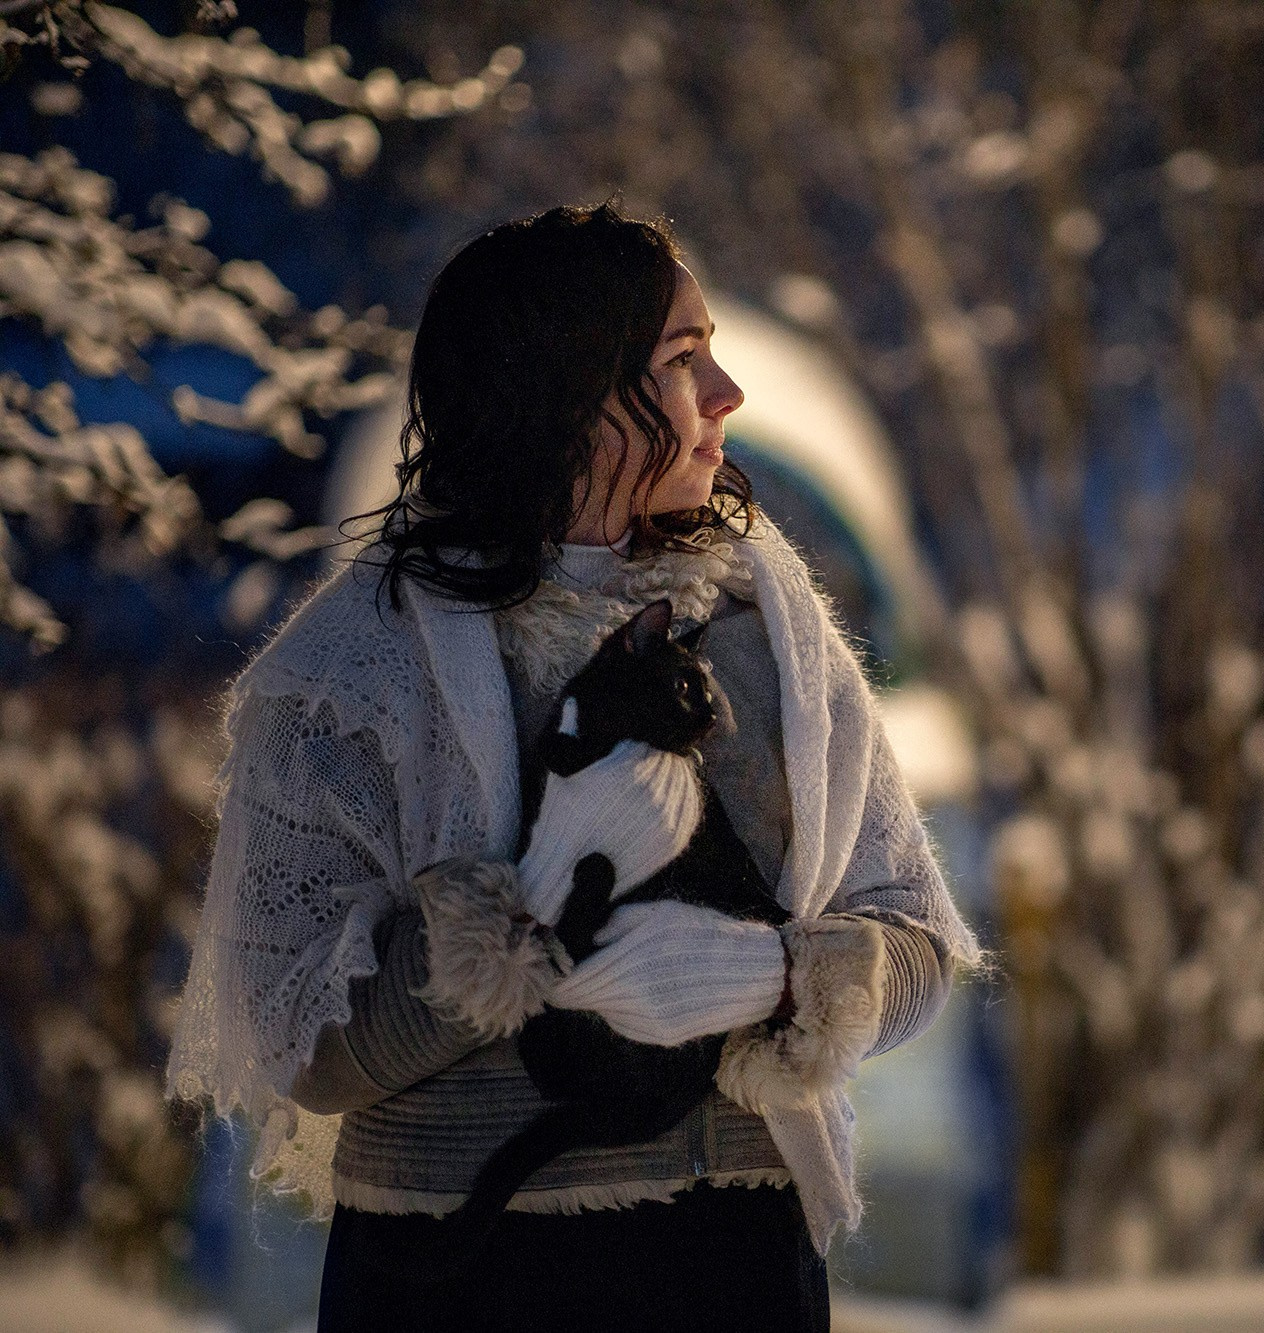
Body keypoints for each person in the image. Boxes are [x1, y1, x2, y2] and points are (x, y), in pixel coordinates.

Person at [164, 203, 979, 1332]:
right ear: (565, 391)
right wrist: (520, 926)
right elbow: (304, 1042)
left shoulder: (774, 634)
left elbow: (919, 945)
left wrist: (773, 979)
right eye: (684, 360)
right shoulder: (349, 677)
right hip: (457, 1272)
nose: (728, 396)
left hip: (735, 1264)